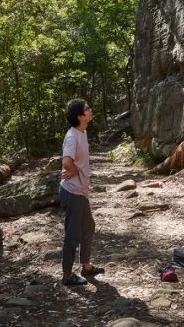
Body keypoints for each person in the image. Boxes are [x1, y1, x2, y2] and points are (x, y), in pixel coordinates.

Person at [59, 98, 103, 286]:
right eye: (87, 109)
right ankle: (67, 275)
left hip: (80, 192)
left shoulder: (82, 132)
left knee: (89, 227)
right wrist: (74, 171)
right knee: (73, 234)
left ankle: (85, 265)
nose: (90, 110)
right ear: (79, 116)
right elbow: (66, 162)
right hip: (72, 192)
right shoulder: (72, 136)